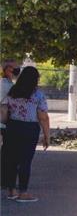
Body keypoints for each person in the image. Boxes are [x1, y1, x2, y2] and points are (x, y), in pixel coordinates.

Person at [0, 66, 50, 202]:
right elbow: (43, 117)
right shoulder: (38, 95)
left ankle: (12, 190)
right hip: (29, 129)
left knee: (11, 160)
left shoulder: (12, 92)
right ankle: (23, 193)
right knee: (25, 161)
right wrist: (47, 136)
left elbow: (4, 110)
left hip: (12, 127)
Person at [0, 59, 19, 192]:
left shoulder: (7, 83)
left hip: (4, 121)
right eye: (14, 68)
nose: (16, 70)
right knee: (7, 153)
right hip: (3, 122)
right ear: (7, 69)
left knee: (6, 152)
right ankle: (5, 181)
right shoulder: (5, 85)